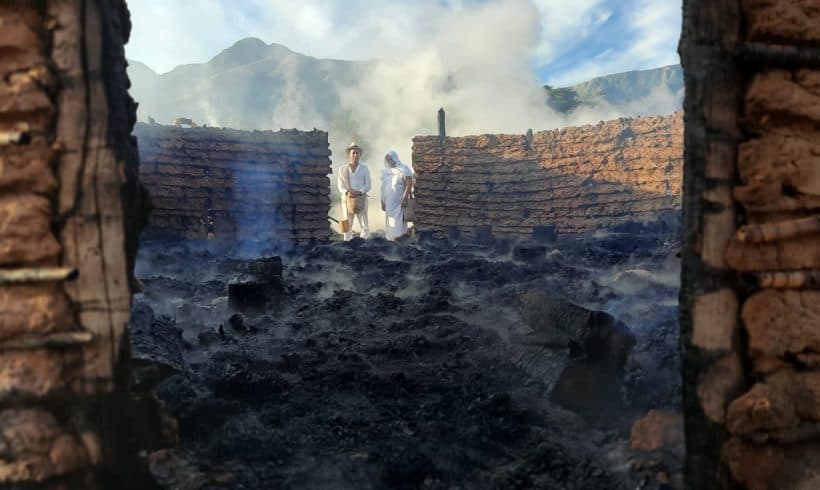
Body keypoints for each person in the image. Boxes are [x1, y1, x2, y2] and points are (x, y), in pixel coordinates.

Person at [337, 141, 371, 241]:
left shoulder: (365, 169)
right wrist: (348, 192)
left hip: (361, 198)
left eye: (357, 153)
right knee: (347, 224)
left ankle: (364, 243)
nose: (355, 155)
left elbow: (368, 185)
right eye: (353, 153)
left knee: (364, 223)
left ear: (360, 154)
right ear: (349, 154)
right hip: (347, 198)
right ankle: (347, 244)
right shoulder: (342, 169)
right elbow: (340, 186)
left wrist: (359, 192)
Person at [380, 150, 414, 241]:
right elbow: (382, 188)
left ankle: (400, 240)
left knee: (399, 222)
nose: (389, 161)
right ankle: (391, 240)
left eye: (391, 159)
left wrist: (405, 198)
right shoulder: (386, 172)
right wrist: (382, 201)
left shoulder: (403, 169)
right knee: (390, 222)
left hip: (399, 203)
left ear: (395, 159)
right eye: (387, 160)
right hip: (389, 204)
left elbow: (409, 184)